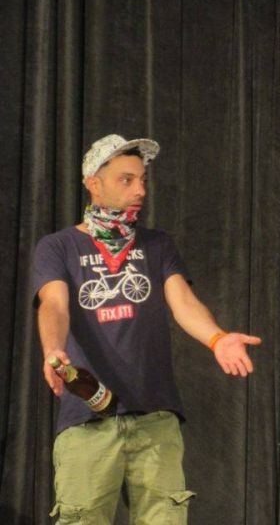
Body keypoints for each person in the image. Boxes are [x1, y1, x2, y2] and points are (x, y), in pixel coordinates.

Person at [32, 134, 262, 524]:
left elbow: (183, 302)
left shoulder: (157, 245)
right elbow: (53, 304)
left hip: (154, 416)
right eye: (126, 179)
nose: (140, 190)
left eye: (142, 180)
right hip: (89, 417)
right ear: (93, 183)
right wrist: (53, 350)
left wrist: (217, 338)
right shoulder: (58, 247)